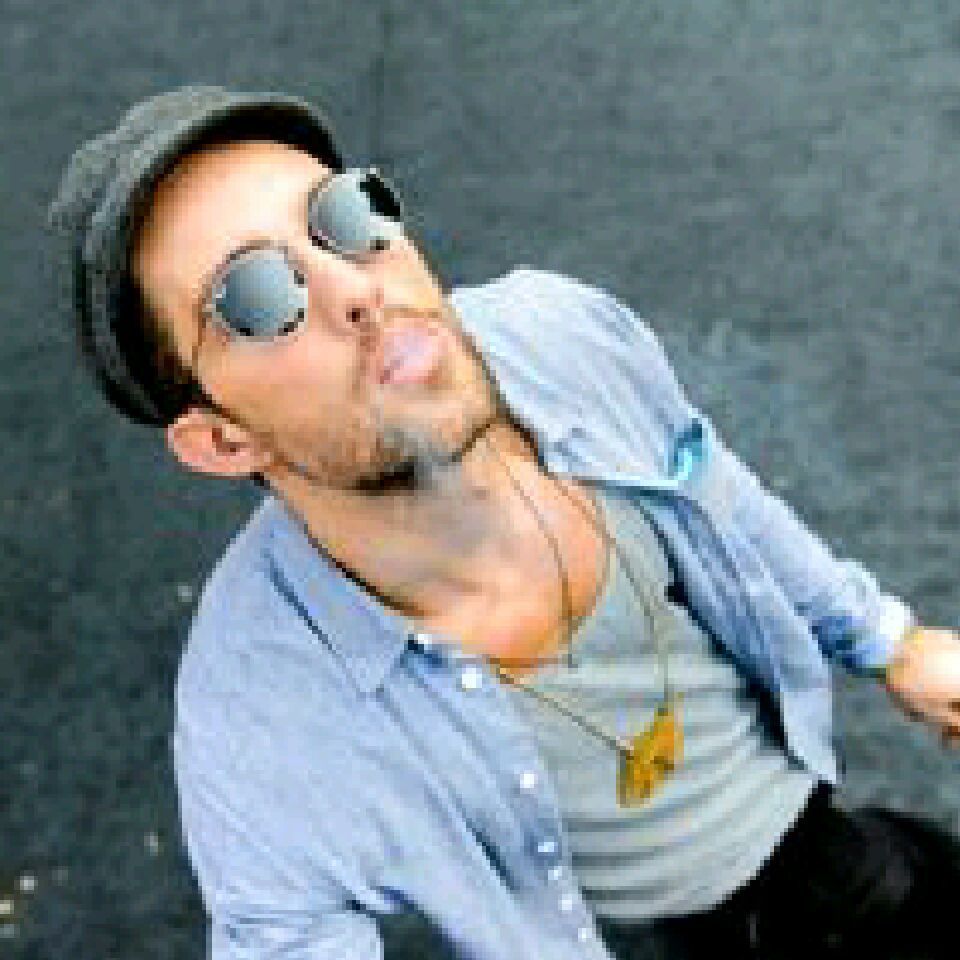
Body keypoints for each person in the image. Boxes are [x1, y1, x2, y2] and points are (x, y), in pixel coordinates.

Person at [46, 84, 960, 960]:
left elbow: (716, 486)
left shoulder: (564, 333)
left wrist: (890, 642)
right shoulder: (261, 722)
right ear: (222, 440)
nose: (355, 286)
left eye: (344, 216)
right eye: (255, 299)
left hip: (833, 845)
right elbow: (277, 934)